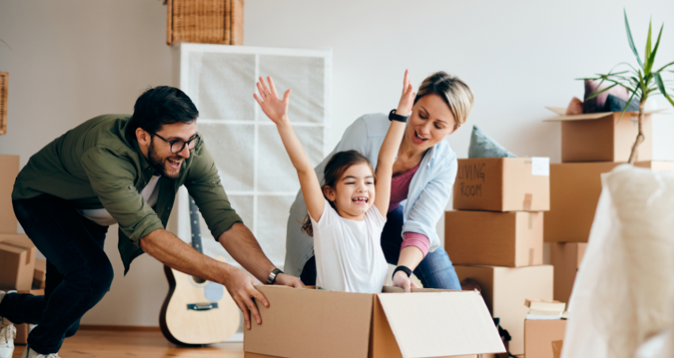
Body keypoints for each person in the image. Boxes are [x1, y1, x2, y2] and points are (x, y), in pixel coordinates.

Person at [0, 87, 303, 358]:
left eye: (191, 139)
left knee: (67, 319)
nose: (185, 152)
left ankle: (5, 307)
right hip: (42, 199)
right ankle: (40, 350)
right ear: (143, 135)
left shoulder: (190, 152)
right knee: (93, 278)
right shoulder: (106, 153)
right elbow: (148, 235)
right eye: (174, 142)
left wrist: (273, 275)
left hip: (90, 213)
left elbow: (223, 219)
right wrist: (226, 274)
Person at [285, 71, 474, 291]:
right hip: (329, 213)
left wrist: (402, 271)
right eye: (421, 115)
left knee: (444, 282)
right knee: (322, 289)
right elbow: (316, 177)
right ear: (412, 105)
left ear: (454, 128)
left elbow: (421, 224)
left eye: (439, 126)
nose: (424, 129)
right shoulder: (368, 130)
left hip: (378, 217)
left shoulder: (445, 163)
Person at [254, 71, 408, 292]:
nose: (362, 188)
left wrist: (401, 114)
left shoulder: (375, 220)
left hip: (371, 314)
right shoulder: (328, 223)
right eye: (351, 182)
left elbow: (384, 164)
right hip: (336, 315)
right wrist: (282, 122)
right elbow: (304, 170)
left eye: (367, 182)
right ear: (330, 193)